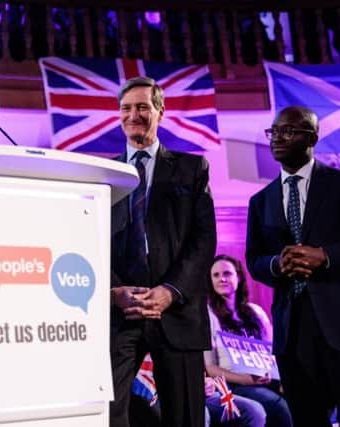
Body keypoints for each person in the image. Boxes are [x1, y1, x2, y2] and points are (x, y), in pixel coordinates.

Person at [246, 105, 340, 426]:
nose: (278, 138)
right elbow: (254, 259)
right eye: (274, 132)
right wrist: (275, 264)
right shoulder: (261, 200)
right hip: (293, 332)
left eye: (288, 131)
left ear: (311, 137)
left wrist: (324, 256)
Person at [110, 76, 217, 427]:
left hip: (177, 312)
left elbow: (203, 240)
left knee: (185, 415)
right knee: (109, 412)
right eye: (126, 108)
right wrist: (114, 291)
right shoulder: (103, 173)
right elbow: (87, 239)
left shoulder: (191, 168)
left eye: (142, 107)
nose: (133, 115)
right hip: (120, 312)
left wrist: (171, 291)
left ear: (160, 111)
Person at [205, 254, 291, 427]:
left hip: (266, 380)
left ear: (239, 277)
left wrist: (278, 377)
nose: (222, 279)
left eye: (227, 274)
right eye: (216, 275)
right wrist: (246, 379)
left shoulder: (256, 311)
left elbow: (273, 351)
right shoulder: (208, 315)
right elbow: (211, 368)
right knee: (278, 406)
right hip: (232, 384)